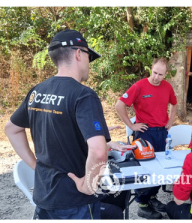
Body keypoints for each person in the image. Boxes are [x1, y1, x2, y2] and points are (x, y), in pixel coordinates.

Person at [4, 29, 134, 219]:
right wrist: (88, 185)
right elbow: (98, 152)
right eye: (89, 57)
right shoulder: (83, 95)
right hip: (74, 201)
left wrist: (36, 166)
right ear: (78, 54)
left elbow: (12, 129)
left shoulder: (37, 92)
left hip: (44, 196)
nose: (90, 64)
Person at [115, 57, 177, 219]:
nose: (156, 77)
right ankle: (142, 204)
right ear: (151, 69)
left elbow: (174, 104)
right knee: (145, 169)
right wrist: (132, 125)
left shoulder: (167, 87)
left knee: (160, 169)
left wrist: (171, 121)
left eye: (161, 74)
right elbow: (119, 105)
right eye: (155, 72)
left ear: (166, 74)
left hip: (162, 133)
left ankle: (151, 197)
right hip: (145, 133)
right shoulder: (139, 86)